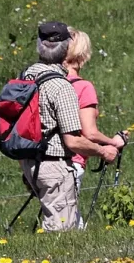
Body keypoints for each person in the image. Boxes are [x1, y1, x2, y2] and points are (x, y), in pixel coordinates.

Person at [20, 21, 118, 232]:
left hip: (29, 160)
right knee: (63, 234)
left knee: (69, 225)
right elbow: (76, 139)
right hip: (56, 164)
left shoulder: (27, 75)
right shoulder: (63, 86)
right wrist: (105, 149)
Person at [63, 27, 128, 226]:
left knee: (61, 218)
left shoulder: (50, 83)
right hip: (72, 162)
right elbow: (89, 132)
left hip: (43, 163)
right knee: (69, 224)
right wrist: (114, 142)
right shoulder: (83, 87)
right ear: (82, 56)